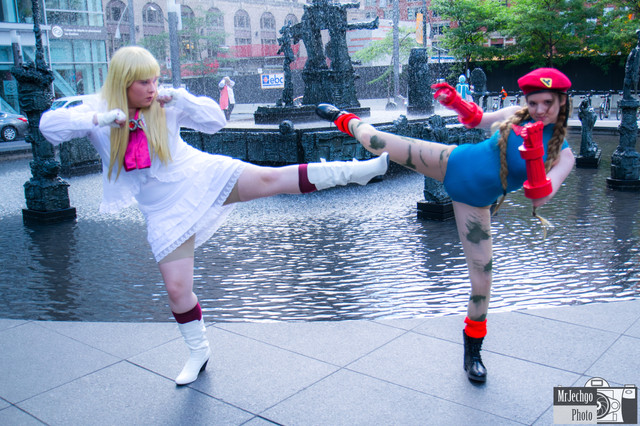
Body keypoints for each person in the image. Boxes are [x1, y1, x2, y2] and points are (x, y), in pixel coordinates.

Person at [39, 46, 389, 386]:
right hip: (162, 210)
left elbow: (215, 121)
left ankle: (356, 171)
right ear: (123, 81)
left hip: (199, 175)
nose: (152, 88)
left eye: (155, 80)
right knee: (177, 290)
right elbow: (48, 126)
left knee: (270, 179)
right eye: (144, 82)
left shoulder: (164, 103)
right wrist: (100, 119)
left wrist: (181, 98)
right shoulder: (99, 109)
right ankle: (198, 351)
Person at [315, 68, 575, 383]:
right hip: (451, 161)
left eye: (547, 103)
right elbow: (477, 120)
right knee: (375, 141)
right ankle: (343, 117)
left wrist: (534, 156)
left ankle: (473, 354)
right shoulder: (514, 115)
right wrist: (455, 102)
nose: (539, 110)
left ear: (562, 101)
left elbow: (540, 198)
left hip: (474, 204)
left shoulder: (563, 155)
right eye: (533, 103)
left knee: (482, 283)